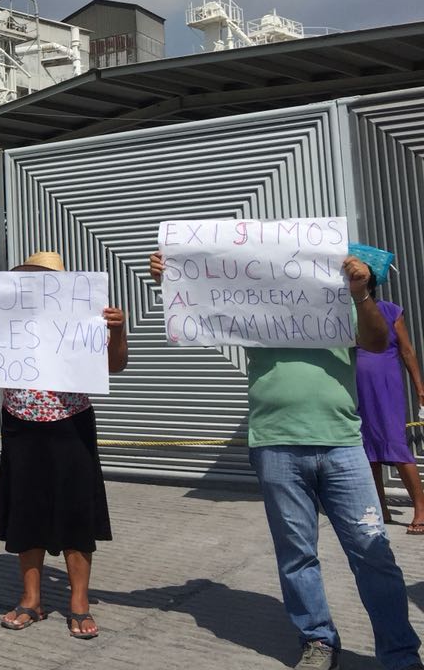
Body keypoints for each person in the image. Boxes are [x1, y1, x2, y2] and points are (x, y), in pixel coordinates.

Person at [151, 251, 422, 670]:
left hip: (342, 444)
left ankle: (400, 653)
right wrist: (173, 278)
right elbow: (199, 307)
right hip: (275, 444)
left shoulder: (341, 302)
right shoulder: (251, 304)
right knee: (296, 554)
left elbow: (376, 341)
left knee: (374, 553)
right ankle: (317, 640)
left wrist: (361, 293)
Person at [0, 251, 129, 641]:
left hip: (71, 421)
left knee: (76, 511)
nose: (39, 284)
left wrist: (118, 330)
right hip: (19, 420)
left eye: (46, 278)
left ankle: (79, 603)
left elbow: (115, 365)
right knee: (26, 510)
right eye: (33, 277)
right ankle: (31, 599)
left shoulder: (84, 313)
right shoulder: (7, 314)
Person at [355, 272, 424, 534]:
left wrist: (420, 387)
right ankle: (379, 507)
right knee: (367, 451)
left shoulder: (390, 310)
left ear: (369, 285)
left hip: (385, 386)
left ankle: (421, 509)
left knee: (396, 447)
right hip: (358, 388)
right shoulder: (345, 315)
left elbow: (407, 350)